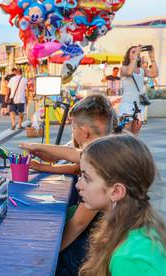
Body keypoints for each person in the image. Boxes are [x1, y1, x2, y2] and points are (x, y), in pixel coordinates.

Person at [20, 94, 117, 276]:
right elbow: (74, 159)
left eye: (73, 128)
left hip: (99, 241)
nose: (80, 184)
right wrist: (41, 161)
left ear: (85, 131)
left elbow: (79, 223)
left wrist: (50, 254)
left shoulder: (101, 161)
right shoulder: (109, 148)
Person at [78, 135, 166, 276]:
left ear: (116, 191)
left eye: (86, 178)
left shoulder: (129, 258)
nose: (78, 185)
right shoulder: (135, 223)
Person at [118, 45, 158, 133]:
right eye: (132, 52)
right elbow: (129, 72)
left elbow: (154, 74)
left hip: (140, 104)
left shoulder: (141, 69)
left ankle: (133, 147)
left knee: (136, 132)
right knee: (125, 131)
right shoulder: (124, 68)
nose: (135, 53)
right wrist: (135, 56)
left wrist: (152, 57)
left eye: (136, 52)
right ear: (128, 55)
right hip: (127, 103)